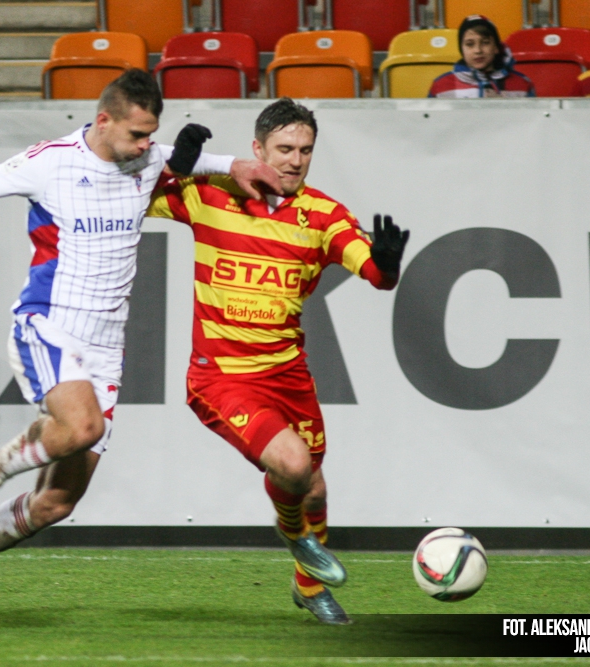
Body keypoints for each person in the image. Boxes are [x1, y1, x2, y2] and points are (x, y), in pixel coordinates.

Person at [0, 69, 281, 617]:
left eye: (151, 135)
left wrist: (239, 164)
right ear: (103, 120)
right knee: (84, 428)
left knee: (54, 504)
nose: (146, 146)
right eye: (137, 134)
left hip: (105, 348)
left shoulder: (148, 157)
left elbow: (201, 162)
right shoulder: (50, 163)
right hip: (50, 324)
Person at [146, 98, 409, 625]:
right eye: (285, 148)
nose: (295, 160)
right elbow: (131, 195)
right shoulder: (210, 194)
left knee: (313, 486)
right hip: (221, 376)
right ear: (257, 149)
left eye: (305, 150)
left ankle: (309, 588)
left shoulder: (323, 216)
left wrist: (387, 265)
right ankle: (293, 536)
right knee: (292, 465)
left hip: (288, 374)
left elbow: (376, 275)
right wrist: (174, 167)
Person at [428, 15, 535, 98]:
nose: (478, 50)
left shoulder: (522, 84)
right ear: (461, 49)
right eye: (470, 44)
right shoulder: (441, 85)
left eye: (485, 43)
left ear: (496, 47)